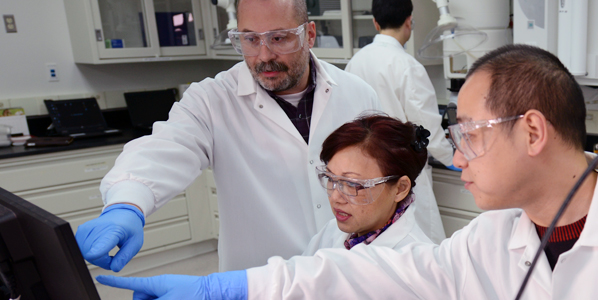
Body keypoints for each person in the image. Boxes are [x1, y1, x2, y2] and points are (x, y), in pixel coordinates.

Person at [97, 44, 598, 299]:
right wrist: (228, 288)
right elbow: (366, 273)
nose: (457, 156)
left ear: (532, 133)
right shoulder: (490, 237)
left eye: (470, 133)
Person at [76, 0, 380, 273]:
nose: (264, 55)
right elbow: (166, 147)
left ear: (309, 34)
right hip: (257, 280)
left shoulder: (357, 94)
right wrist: (127, 204)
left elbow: (386, 185)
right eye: (249, 39)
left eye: (279, 38)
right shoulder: (212, 100)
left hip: (348, 275)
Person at [345, 0, 454, 243]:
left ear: (375, 23)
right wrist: (453, 158)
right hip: (404, 174)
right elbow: (426, 129)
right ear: (409, 21)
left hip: (366, 172)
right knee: (418, 247)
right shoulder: (407, 65)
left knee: (378, 246)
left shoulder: (355, 62)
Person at [303, 115, 433, 255]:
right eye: (330, 178)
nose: (335, 197)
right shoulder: (332, 232)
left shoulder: (416, 261)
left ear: (400, 189)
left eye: (352, 184)